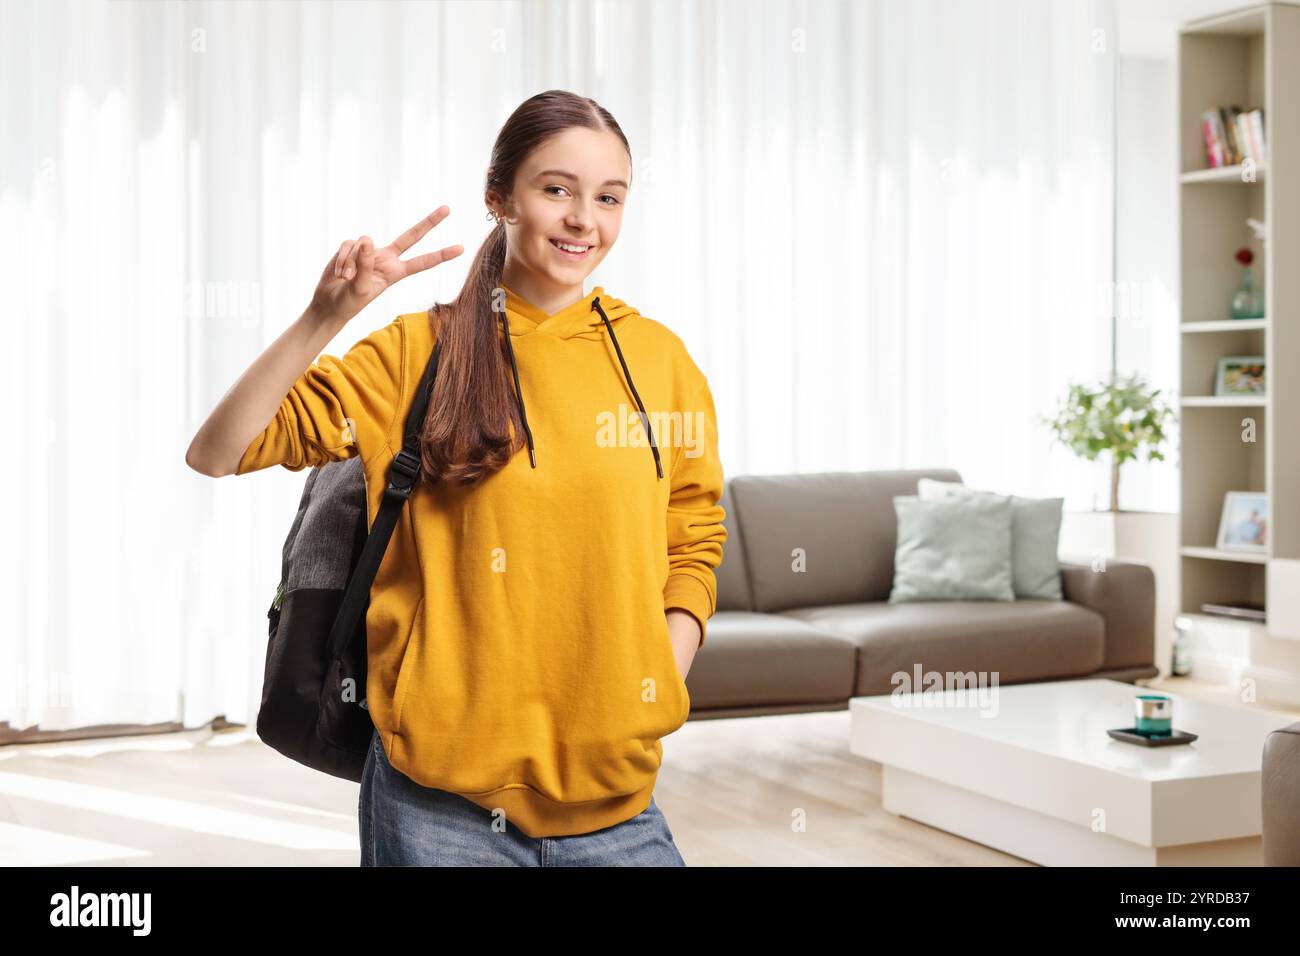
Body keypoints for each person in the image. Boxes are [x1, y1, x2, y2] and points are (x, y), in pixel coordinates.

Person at [185, 89, 727, 866]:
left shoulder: (662, 363)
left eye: (608, 198)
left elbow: (695, 533)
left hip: (618, 800)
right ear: (498, 195)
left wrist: (659, 673)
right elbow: (220, 450)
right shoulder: (416, 354)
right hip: (438, 808)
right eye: (557, 189)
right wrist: (324, 317)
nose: (584, 220)